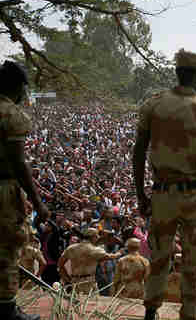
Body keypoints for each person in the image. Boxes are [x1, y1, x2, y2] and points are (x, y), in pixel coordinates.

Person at [133, 49, 196, 320]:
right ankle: (189, 315)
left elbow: (138, 154)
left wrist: (141, 195)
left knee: (159, 256)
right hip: (194, 196)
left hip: (162, 194)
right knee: (193, 264)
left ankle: (151, 311)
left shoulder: (153, 105)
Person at [0, 60, 49, 320]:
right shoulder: (11, 114)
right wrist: (38, 203)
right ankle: (7, 310)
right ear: (18, 87)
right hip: (3, 190)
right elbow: (19, 163)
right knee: (7, 248)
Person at [57, 228, 122, 294]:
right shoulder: (95, 250)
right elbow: (110, 257)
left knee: (74, 303)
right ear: (94, 237)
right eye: (97, 236)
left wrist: (67, 280)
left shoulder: (71, 248)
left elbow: (60, 265)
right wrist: (120, 253)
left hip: (74, 282)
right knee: (91, 303)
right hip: (89, 283)